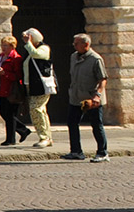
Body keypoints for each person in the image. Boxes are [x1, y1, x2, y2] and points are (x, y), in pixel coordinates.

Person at [64, 32, 109, 162]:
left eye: (77, 43)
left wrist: (98, 95)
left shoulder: (96, 59)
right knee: (72, 123)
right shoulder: (73, 57)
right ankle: (76, 151)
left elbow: (103, 79)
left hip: (92, 98)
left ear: (86, 44)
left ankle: (102, 152)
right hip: (76, 97)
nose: (74, 45)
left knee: (96, 125)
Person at [0, 36, 30, 146]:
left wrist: (5, 74)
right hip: (2, 89)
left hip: (12, 90)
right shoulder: (1, 57)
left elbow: (18, 76)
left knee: (10, 114)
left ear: (12, 46)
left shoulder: (16, 58)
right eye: (2, 45)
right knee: (4, 113)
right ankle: (23, 130)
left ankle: (11, 139)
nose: (3, 47)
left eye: (5, 45)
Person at [20, 28, 55, 148]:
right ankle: (46, 137)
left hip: (41, 85)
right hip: (31, 85)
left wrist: (28, 43)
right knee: (40, 111)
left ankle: (44, 137)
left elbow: (37, 55)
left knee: (36, 109)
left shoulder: (44, 48)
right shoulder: (29, 49)